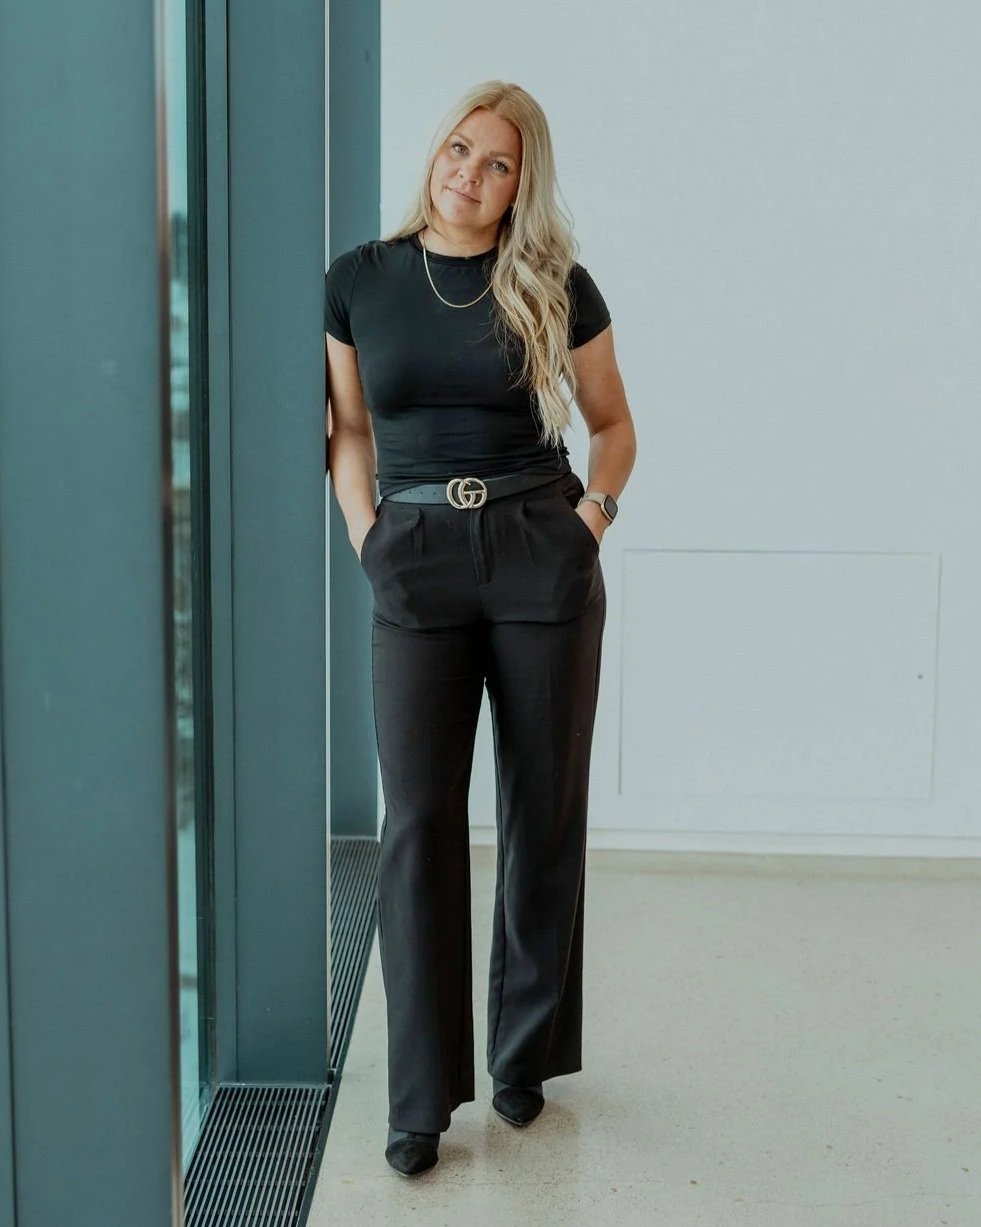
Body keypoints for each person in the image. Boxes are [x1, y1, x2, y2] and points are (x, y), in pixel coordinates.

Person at [325, 80, 636, 1177]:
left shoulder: (553, 284)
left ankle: (522, 1057)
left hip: (535, 549)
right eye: (461, 149)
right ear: (437, 154)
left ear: (520, 184)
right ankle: (419, 1101)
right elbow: (350, 427)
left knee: (540, 807)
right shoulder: (360, 279)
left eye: (497, 162)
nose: (470, 172)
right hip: (414, 556)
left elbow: (613, 426)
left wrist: (587, 522)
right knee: (416, 823)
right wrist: (367, 533)